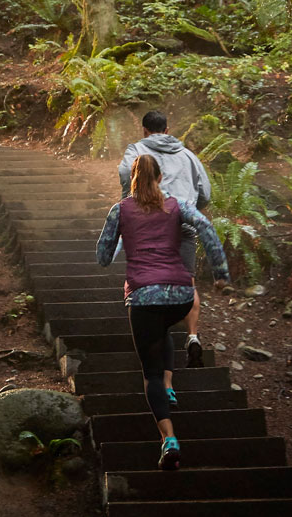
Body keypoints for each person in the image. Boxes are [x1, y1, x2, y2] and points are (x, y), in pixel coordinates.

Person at [98, 154, 232, 471]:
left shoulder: (120, 210)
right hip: (181, 295)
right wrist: (221, 273)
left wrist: (120, 237)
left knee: (150, 373)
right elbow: (207, 228)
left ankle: (168, 440)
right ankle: (171, 387)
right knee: (162, 329)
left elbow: (103, 256)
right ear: (160, 178)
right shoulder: (176, 205)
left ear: (132, 181)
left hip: (143, 297)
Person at [118, 110, 216, 370]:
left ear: (144, 129)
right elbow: (205, 191)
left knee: (146, 273)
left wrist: (132, 200)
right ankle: (193, 336)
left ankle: (153, 330)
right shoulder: (188, 155)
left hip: (149, 222)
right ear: (168, 128)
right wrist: (193, 207)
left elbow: (125, 174)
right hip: (183, 224)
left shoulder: (137, 149)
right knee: (188, 280)